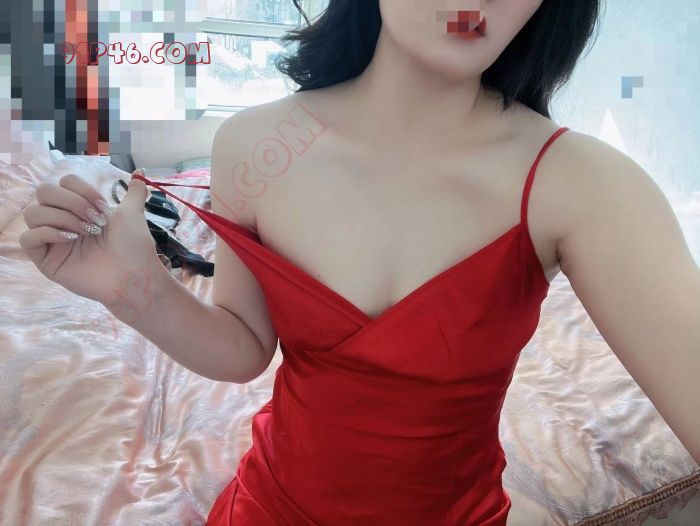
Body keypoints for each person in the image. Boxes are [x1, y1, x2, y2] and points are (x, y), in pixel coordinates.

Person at [19, 1, 700, 524]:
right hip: (273, 507)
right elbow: (244, 347)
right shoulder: (256, 144)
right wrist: (133, 288)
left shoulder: (581, 184)